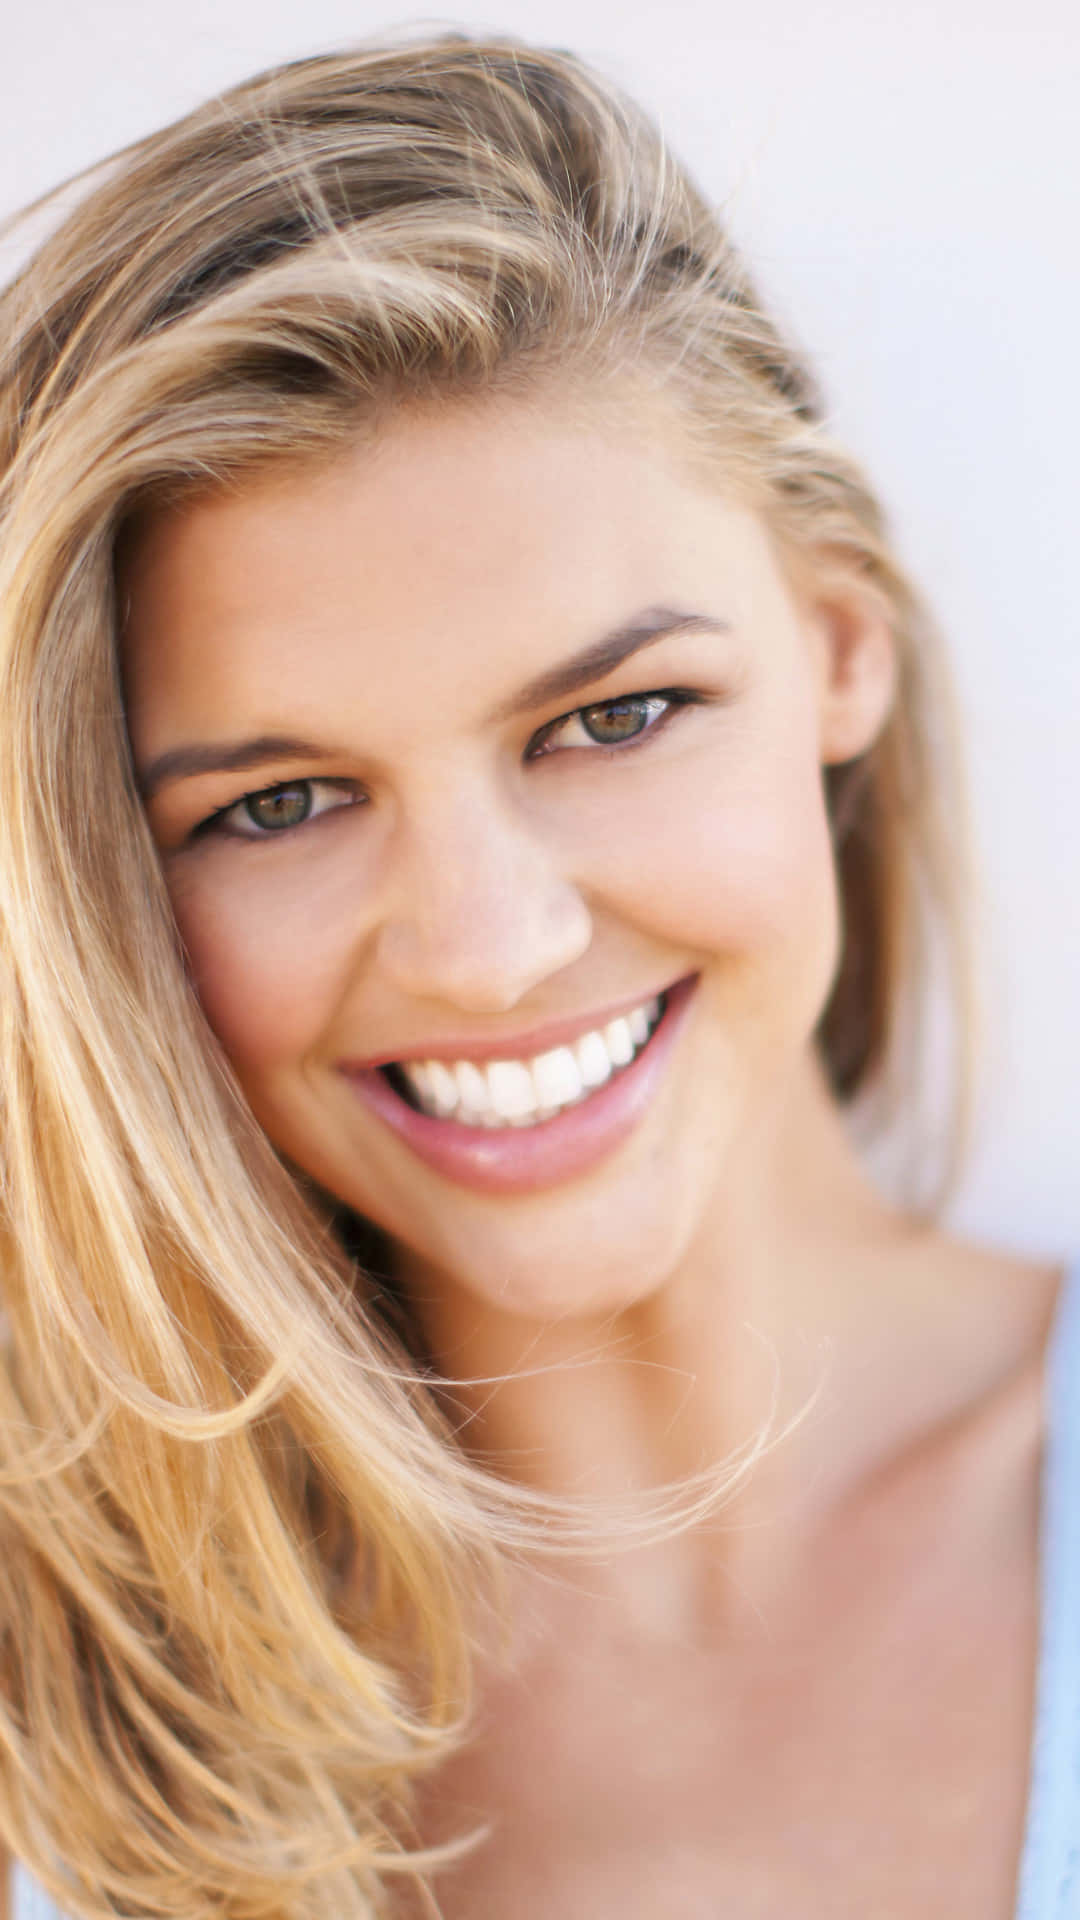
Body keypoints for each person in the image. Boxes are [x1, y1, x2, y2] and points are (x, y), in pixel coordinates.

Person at [0, 30, 1069, 1920]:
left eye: (614, 715)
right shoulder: (60, 1785)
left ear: (836, 646)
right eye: (282, 803)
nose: (493, 948)